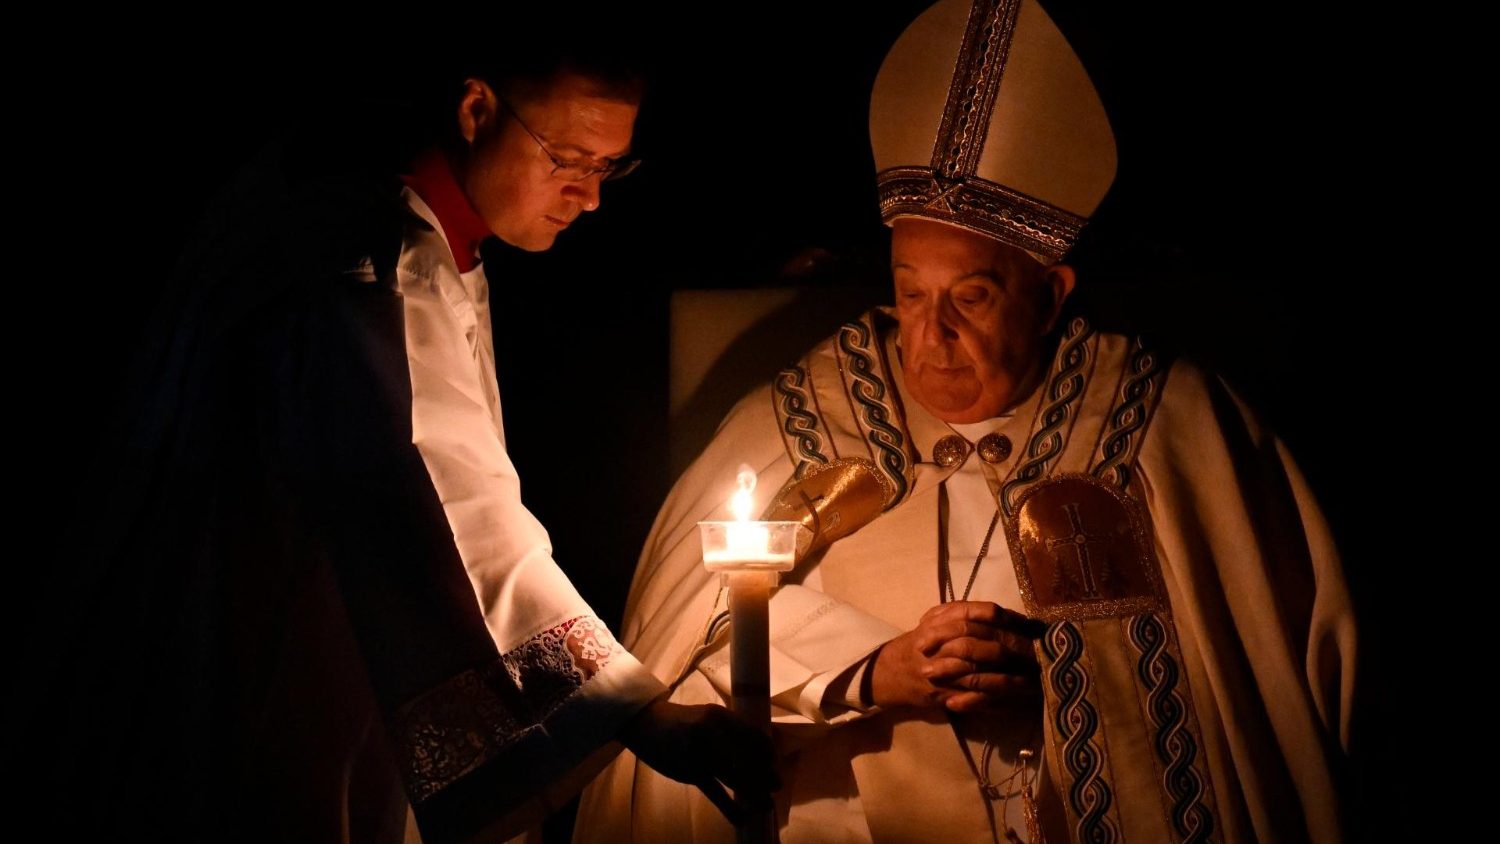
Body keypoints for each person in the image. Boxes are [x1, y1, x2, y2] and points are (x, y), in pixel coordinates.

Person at [575, 0, 1354, 841]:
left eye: (971, 298)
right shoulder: (794, 428)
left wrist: (1058, 671)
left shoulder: (1167, 428)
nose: (930, 333)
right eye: (910, 291)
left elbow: (1254, 696)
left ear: (1050, 296)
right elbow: (681, 680)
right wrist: (868, 673)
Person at [32, 19, 772, 844]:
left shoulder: (388, 220)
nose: (590, 196)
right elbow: (454, 521)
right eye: (566, 159)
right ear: (475, 108)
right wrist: (638, 716)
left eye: (608, 167)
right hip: (277, 677)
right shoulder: (372, 265)